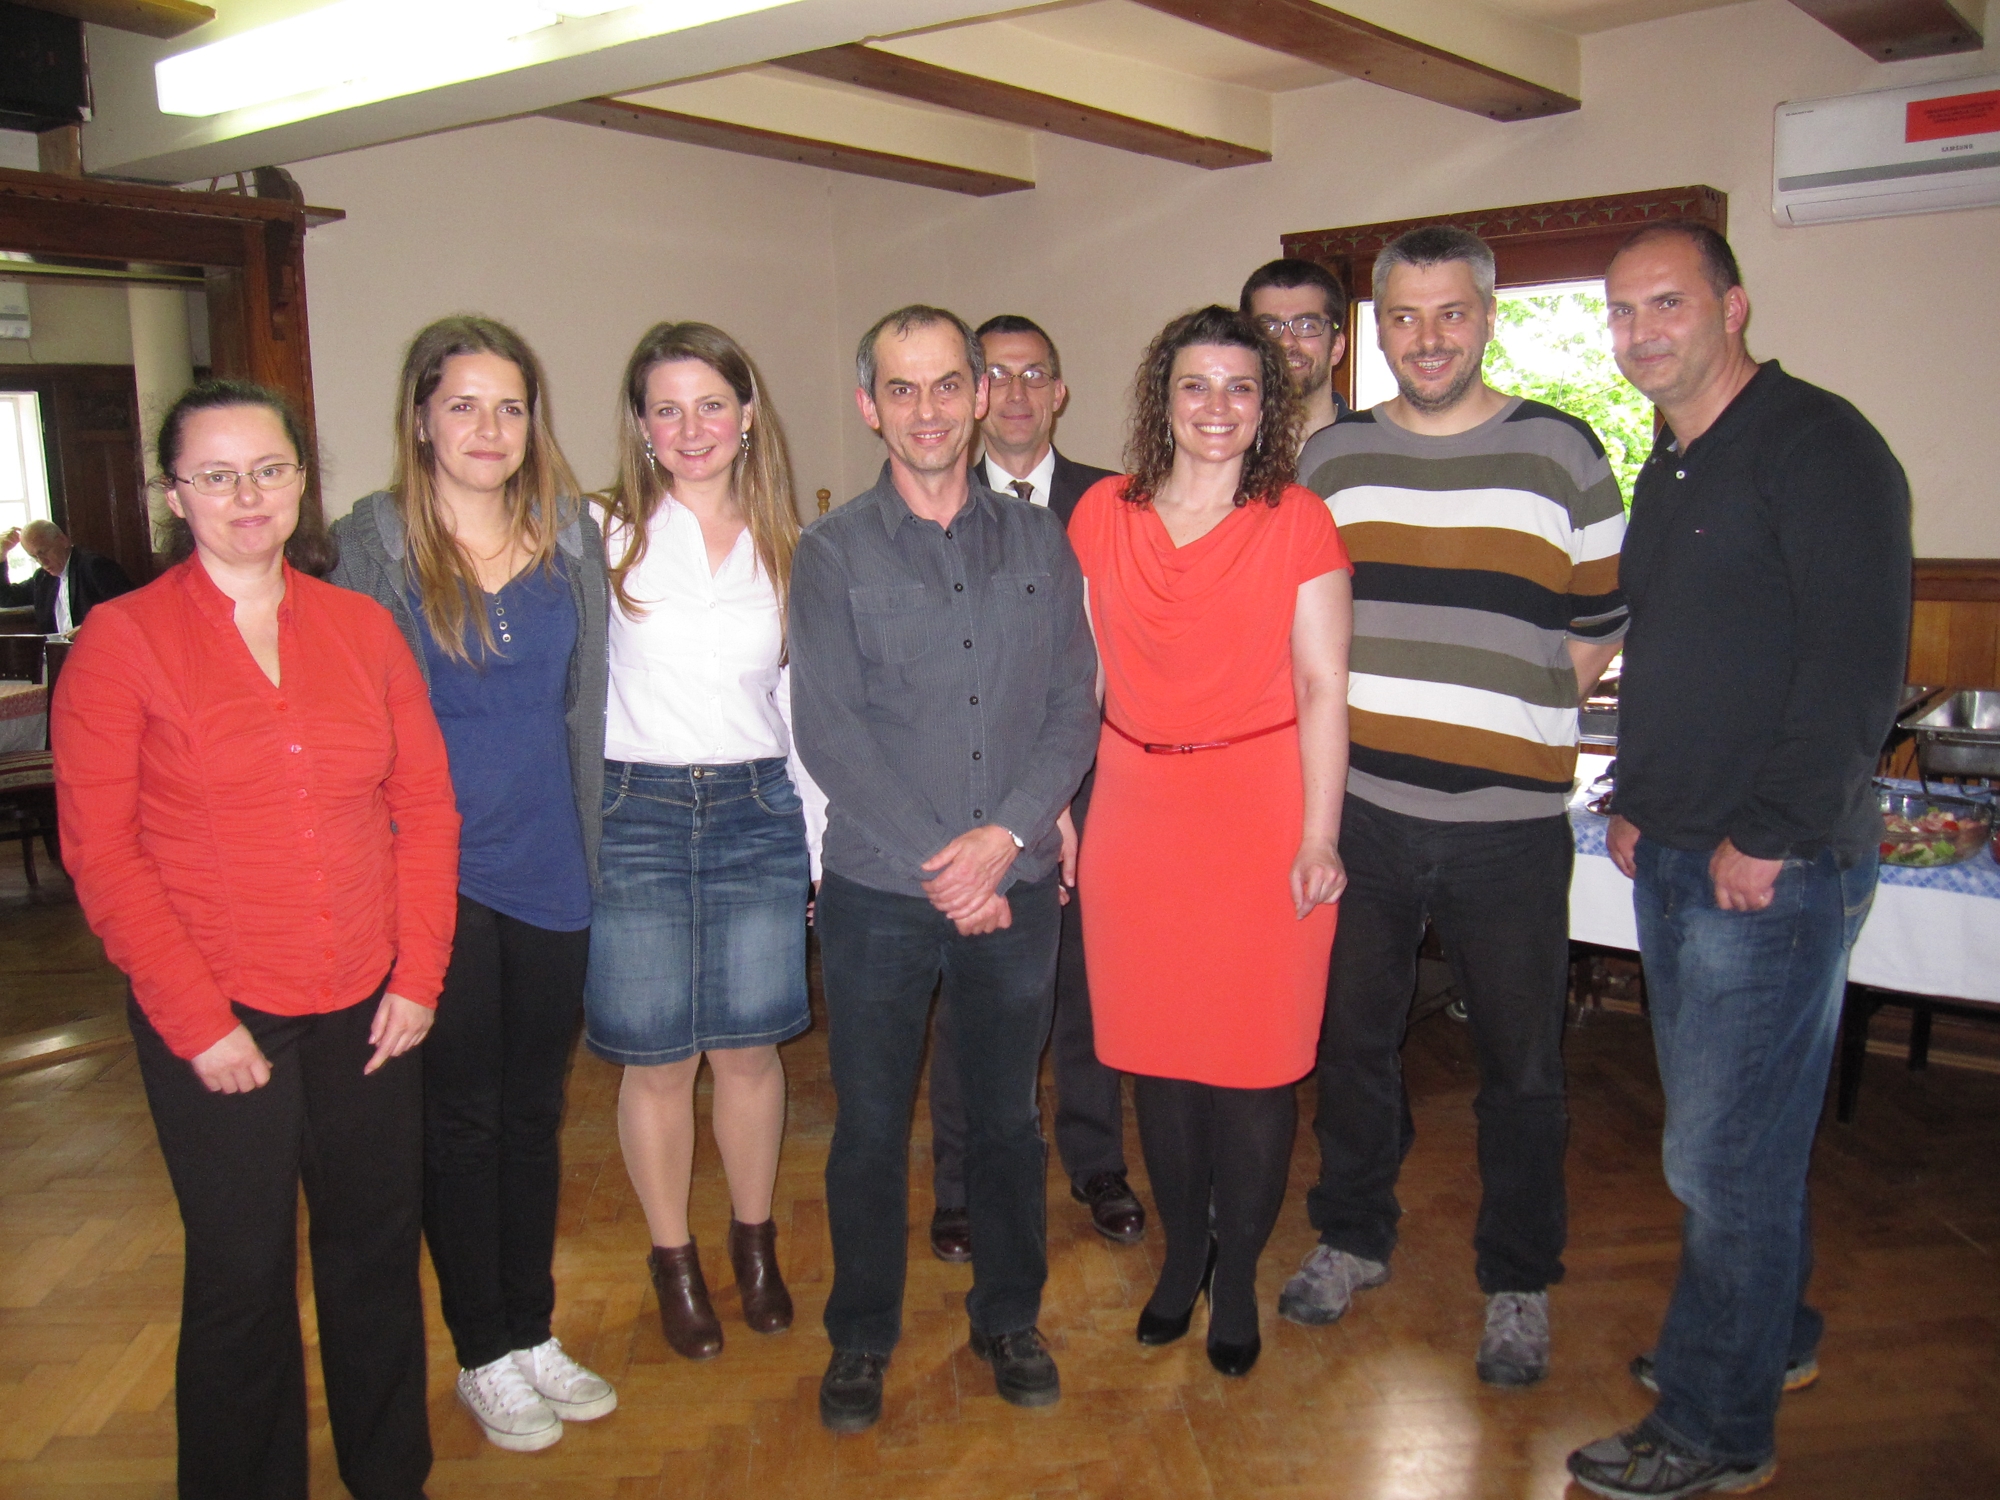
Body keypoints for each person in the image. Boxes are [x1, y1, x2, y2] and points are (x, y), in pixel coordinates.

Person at [52, 379, 459, 1500]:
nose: (246, 495)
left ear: (300, 481)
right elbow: (103, 854)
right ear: (173, 493)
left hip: (371, 1001)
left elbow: (425, 807)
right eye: (217, 475)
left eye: (268, 470)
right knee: (240, 1277)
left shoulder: (360, 627)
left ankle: (391, 1476)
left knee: (376, 1253)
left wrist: (418, 975)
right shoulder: (122, 642)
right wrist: (198, 1021)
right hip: (220, 1009)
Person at [1567, 224, 1911, 1499]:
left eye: (1665, 303)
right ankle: (1769, 1336)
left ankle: (1715, 1429)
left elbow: (1853, 670)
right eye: (1619, 311)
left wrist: (1767, 834)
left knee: (1721, 1160)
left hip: (1765, 868)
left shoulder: (1820, 448)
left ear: (1732, 306)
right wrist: (1636, 800)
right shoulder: (1670, 459)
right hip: (1678, 847)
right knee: (1738, 1143)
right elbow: (1672, 650)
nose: (1638, 331)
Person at [1285, 225, 1628, 1387]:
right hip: (1361, 815)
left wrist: (1510, 714)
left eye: (1449, 313)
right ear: (1374, 329)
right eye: (1402, 316)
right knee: (1352, 1043)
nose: (1426, 338)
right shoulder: (1330, 459)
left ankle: (1517, 1278)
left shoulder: (1562, 451)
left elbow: (1599, 623)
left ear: (1486, 318)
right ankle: (1351, 1234)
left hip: (1507, 831)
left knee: (1521, 1068)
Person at [789, 305, 1098, 1433]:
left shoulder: (1041, 542)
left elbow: (1073, 707)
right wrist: (947, 863)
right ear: (870, 407)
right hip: (878, 891)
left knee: (1008, 1119)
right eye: (900, 389)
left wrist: (1004, 838)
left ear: (978, 395)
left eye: (945, 385)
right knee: (870, 1125)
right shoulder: (830, 553)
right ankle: (862, 1334)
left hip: (1014, 882)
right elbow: (829, 731)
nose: (926, 410)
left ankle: (1007, 1317)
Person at [329, 316, 616, 1451]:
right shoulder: (372, 547)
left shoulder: (574, 540)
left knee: (533, 1114)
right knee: (458, 1123)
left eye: (509, 407)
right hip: (432, 880)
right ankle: (483, 1352)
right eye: (462, 405)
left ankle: (532, 1327)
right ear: (420, 419)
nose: (488, 428)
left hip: (551, 865)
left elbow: (587, 705)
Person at [1069, 305, 1353, 1378]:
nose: (1218, 406)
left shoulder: (1298, 521)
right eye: (1196, 384)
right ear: (1163, 399)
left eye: (1241, 386)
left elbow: (1323, 686)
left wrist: (1319, 834)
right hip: (1135, 812)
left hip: (1259, 814)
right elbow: (1082, 677)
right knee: (1159, 1061)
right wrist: (1062, 805)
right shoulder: (1101, 513)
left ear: (1267, 405)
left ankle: (1234, 1280)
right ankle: (1183, 1257)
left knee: (1253, 1066)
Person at [582, 321, 823, 1365]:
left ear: (747, 414)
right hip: (634, 810)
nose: (691, 429)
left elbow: (801, 711)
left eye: (711, 404)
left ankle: (753, 1246)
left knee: (748, 1050)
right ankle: (673, 1259)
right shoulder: (598, 536)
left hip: (756, 808)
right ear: (641, 426)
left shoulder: (793, 548)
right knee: (657, 1059)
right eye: (667, 409)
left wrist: (816, 853)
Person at [924, 312, 1140, 1263]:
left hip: (1095, 785)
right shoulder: (933, 498)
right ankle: (963, 1183)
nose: (1015, 393)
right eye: (996, 375)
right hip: (972, 798)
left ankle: (1098, 1163)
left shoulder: (1118, 502)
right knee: (974, 1000)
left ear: (1060, 391)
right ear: (974, 395)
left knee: (1089, 987)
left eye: (1034, 374)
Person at [1241, 258, 1350, 450]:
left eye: (1306, 326)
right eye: (1268, 327)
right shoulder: (1223, 451)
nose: (1286, 342)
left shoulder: (1373, 452)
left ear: (1336, 347)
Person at [0, 518, 135, 634]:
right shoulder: (43, 578)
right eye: (34, 557)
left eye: (44, 552)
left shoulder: (94, 566)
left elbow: (128, 609)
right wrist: (1, 555)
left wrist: (93, 629)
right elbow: (6, 598)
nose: (42, 562)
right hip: (58, 652)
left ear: (63, 540)